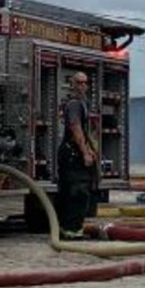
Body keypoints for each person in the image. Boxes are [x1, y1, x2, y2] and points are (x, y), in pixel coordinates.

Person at [54, 70, 99, 240]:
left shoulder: (82, 103)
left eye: (85, 82)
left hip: (72, 152)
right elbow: (75, 127)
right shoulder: (74, 104)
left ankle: (68, 229)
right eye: (79, 82)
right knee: (77, 193)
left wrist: (90, 149)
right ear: (72, 84)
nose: (83, 86)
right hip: (72, 154)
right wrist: (85, 153)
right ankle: (71, 231)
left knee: (74, 193)